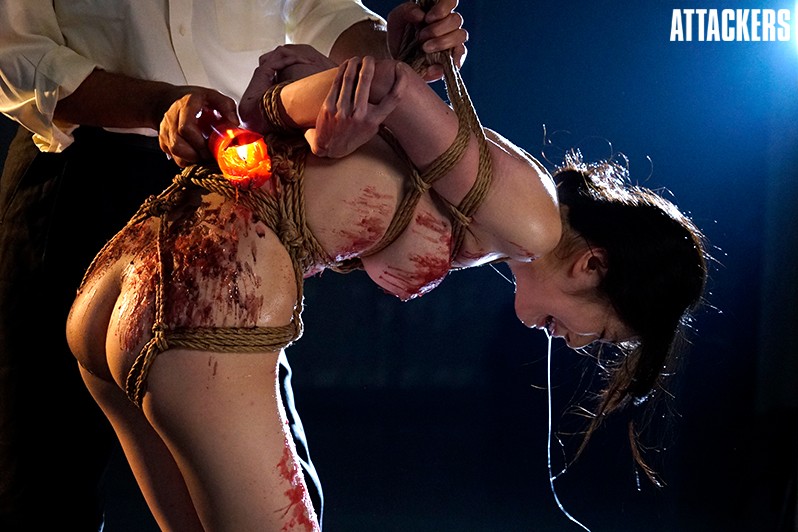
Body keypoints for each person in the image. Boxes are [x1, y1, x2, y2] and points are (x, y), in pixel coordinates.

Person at [66, 37, 708, 529]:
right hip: (206, 287)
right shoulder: (533, 221)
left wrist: (301, 106)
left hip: (127, 278)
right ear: (593, 265)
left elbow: (359, 100)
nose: (576, 344)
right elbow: (386, 84)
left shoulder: (497, 213)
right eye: (604, 335)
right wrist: (281, 107)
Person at [0, 1, 467, 529]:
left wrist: (386, 60)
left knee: (269, 484)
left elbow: (321, 8)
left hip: (232, 173)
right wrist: (158, 104)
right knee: (38, 474)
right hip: (77, 177)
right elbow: (13, 49)